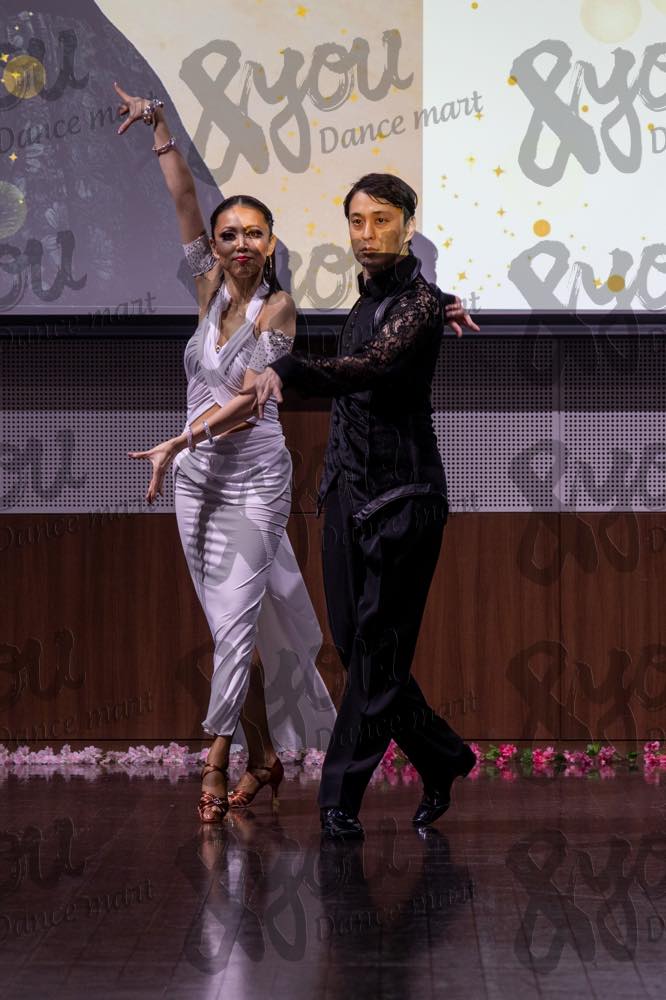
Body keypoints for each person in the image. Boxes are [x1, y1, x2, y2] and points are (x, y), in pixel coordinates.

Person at [113, 83, 336, 824]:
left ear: (270, 245)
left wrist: (180, 438)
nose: (241, 243)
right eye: (229, 234)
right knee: (229, 629)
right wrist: (158, 126)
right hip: (196, 482)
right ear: (215, 246)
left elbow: (247, 405)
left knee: (238, 623)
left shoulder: (280, 309)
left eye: (254, 234)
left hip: (255, 477)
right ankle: (265, 757)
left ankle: (213, 762)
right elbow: (183, 199)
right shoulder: (207, 291)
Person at [241, 173, 480, 839]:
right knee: (358, 649)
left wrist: (287, 367)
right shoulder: (369, 303)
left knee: (375, 654)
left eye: (381, 220)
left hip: (405, 498)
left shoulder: (420, 303)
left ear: (408, 224)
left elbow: (370, 367)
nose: (367, 234)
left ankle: (337, 798)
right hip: (347, 497)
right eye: (356, 221)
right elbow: (365, 361)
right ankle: (443, 755)